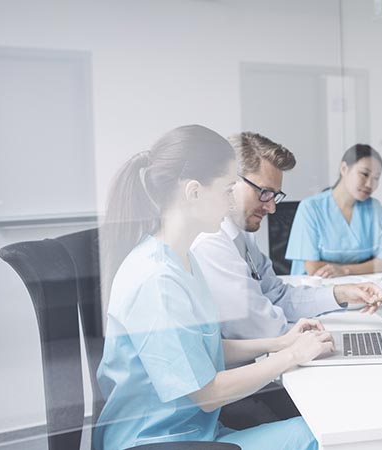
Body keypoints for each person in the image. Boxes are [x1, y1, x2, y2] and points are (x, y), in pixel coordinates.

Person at [95, 125, 330, 450]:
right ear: (193, 193)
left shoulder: (181, 258)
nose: (230, 200)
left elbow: (204, 345)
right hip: (158, 443)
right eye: (226, 188)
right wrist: (292, 355)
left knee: (326, 428)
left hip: (197, 434)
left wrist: (280, 342)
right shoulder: (157, 279)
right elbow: (208, 394)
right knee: (323, 437)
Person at [192, 132, 382, 341]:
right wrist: (323, 334)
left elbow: (279, 296)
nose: (272, 207)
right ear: (230, 182)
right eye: (264, 192)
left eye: (274, 195)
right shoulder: (211, 243)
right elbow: (259, 328)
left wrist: (342, 293)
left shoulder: (242, 236)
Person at [285, 144, 382, 277]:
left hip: (361, 287)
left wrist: (345, 271)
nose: (370, 184)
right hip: (315, 290)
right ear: (344, 168)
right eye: (364, 174)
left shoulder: (374, 208)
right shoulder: (310, 208)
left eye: (376, 178)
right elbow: (313, 268)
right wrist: (363, 267)